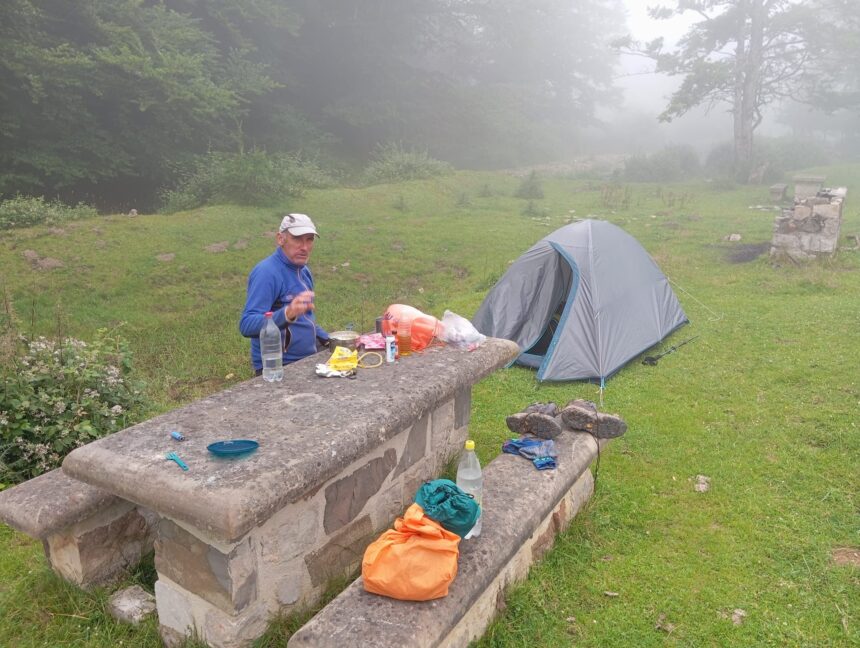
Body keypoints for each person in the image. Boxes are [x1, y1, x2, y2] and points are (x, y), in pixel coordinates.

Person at [239, 213, 330, 375]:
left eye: (309, 239)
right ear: (280, 239)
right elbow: (247, 325)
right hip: (278, 367)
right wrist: (287, 313)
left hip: (307, 357)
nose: (304, 247)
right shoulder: (267, 273)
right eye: (297, 239)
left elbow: (306, 318)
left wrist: (331, 339)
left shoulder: (303, 271)